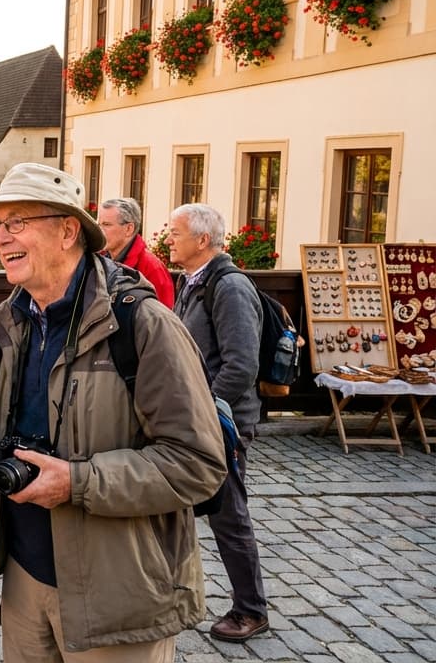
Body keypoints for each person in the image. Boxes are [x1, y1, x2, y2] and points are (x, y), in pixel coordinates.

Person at [0, 163, 226, 662]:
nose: (0, 240)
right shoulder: (9, 324)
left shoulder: (144, 324)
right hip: (24, 580)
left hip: (119, 595)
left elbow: (200, 464)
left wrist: (76, 482)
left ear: (68, 231)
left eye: (16, 222)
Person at [168, 203, 269, 642]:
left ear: (202, 241)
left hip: (219, 424)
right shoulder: (192, 282)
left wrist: (203, 415)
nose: (168, 239)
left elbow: (241, 366)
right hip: (193, 419)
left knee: (229, 517)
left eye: (175, 233)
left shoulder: (228, 287)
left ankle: (251, 610)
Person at [97, 196, 175, 308]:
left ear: (129, 229)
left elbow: (161, 319)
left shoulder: (152, 268)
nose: (100, 230)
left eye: (106, 225)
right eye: (99, 224)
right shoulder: (99, 260)